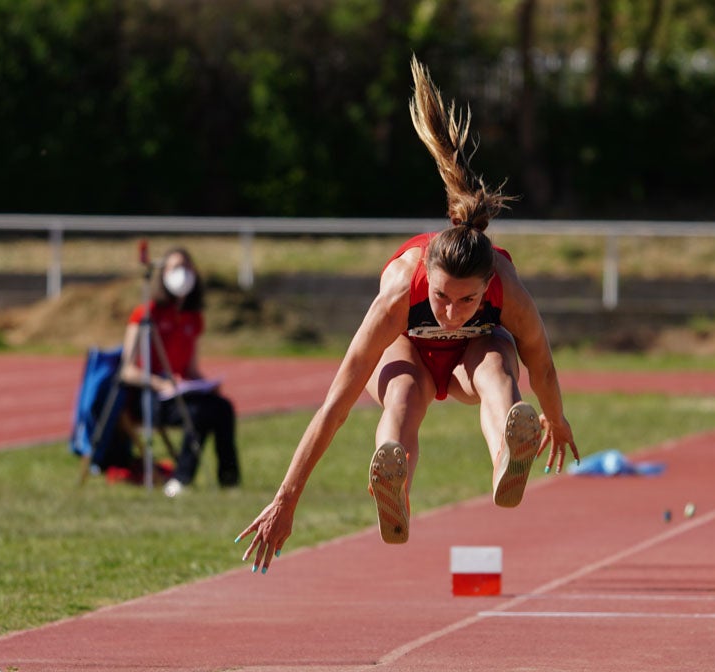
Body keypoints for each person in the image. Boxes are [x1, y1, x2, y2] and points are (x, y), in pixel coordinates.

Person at [237, 57, 579, 574]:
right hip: (409, 353)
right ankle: (392, 473)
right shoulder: (400, 289)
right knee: (400, 392)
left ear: (487, 287)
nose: (450, 311)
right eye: (441, 296)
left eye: (467, 301)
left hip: (473, 356)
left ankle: (508, 454)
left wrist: (554, 418)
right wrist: (287, 497)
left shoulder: (507, 288)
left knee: (497, 369)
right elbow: (337, 402)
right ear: (427, 276)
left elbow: (544, 367)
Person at [119, 247, 240, 497]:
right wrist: (158, 383)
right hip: (150, 396)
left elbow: (191, 369)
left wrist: (206, 385)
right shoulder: (146, 314)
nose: (182, 274)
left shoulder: (193, 318)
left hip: (182, 392)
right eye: (175, 268)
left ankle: (229, 478)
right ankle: (182, 478)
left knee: (222, 407)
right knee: (196, 414)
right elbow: (126, 371)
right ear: (163, 274)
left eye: (186, 267)